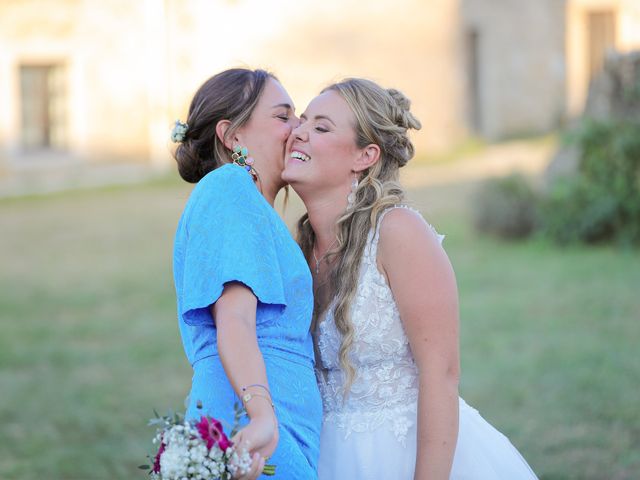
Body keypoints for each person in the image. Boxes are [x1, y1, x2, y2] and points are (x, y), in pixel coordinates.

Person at [282, 77, 538, 479]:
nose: (298, 131)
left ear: (365, 156)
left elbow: (442, 372)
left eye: (321, 127)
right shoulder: (297, 251)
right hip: (327, 459)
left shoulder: (398, 232)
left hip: (411, 455)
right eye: (301, 120)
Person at [172, 68, 322, 480]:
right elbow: (235, 319)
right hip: (253, 431)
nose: (298, 128)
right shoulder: (230, 189)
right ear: (232, 135)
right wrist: (260, 416)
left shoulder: (249, 204)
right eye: (283, 116)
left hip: (265, 425)